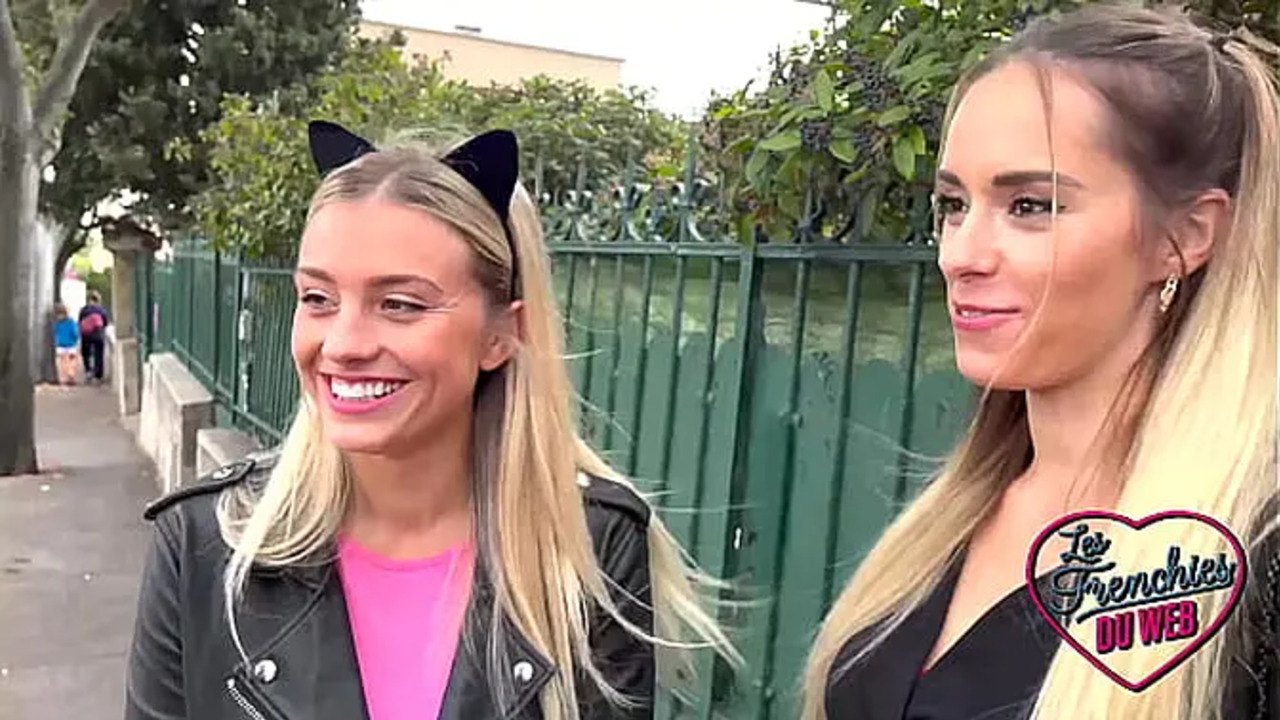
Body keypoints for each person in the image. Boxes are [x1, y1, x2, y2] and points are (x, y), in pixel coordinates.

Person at [124, 122, 738, 720]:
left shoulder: (588, 551)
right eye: (318, 298)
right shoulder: (205, 545)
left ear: (500, 335)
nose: (343, 344)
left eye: (400, 304)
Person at [802, 5, 1277, 720]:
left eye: (1029, 205)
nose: (961, 255)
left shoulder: (1255, 569)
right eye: (953, 205)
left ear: (1184, 236)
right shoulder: (950, 520)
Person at [78, 290, 110, 384]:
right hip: (98, 334)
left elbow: (80, 322)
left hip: (86, 334)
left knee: (86, 354)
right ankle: (98, 375)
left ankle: (88, 371)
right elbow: (105, 322)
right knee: (98, 354)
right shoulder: (101, 310)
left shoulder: (84, 310)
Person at [53, 303, 80, 385]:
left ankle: (63, 378)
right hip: (71, 345)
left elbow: (55, 332)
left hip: (60, 345)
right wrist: (76, 340)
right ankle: (70, 375)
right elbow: (75, 333)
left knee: (62, 362)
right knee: (71, 362)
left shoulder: (57, 324)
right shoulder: (72, 322)